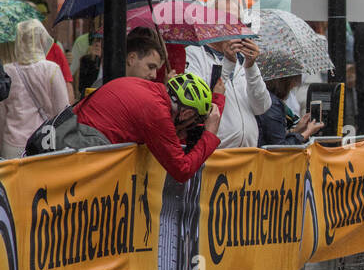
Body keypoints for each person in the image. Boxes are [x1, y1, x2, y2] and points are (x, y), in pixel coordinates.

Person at [72, 73, 221, 182]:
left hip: (73, 133)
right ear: (187, 112)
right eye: (193, 120)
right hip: (83, 148)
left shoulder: (146, 86)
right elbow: (182, 170)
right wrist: (210, 134)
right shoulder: (157, 112)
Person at [0, 19, 70, 158]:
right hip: (42, 142)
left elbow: (2, 114)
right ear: (42, 40)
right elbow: (62, 111)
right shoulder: (51, 69)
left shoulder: (8, 70)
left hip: (12, 144)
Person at [186, 36, 271, 148]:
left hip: (248, 152)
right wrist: (227, 63)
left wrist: (251, 67)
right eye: (232, 23)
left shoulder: (243, 58)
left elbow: (261, 107)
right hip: (214, 152)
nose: (239, 29)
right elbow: (197, 102)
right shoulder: (194, 53)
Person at [257, 74, 324, 146]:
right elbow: (279, 147)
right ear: (286, 81)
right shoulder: (271, 104)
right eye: (294, 80)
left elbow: (275, 135)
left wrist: (297, 129)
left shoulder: (268, 100)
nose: (295, 85)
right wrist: (307, 132)